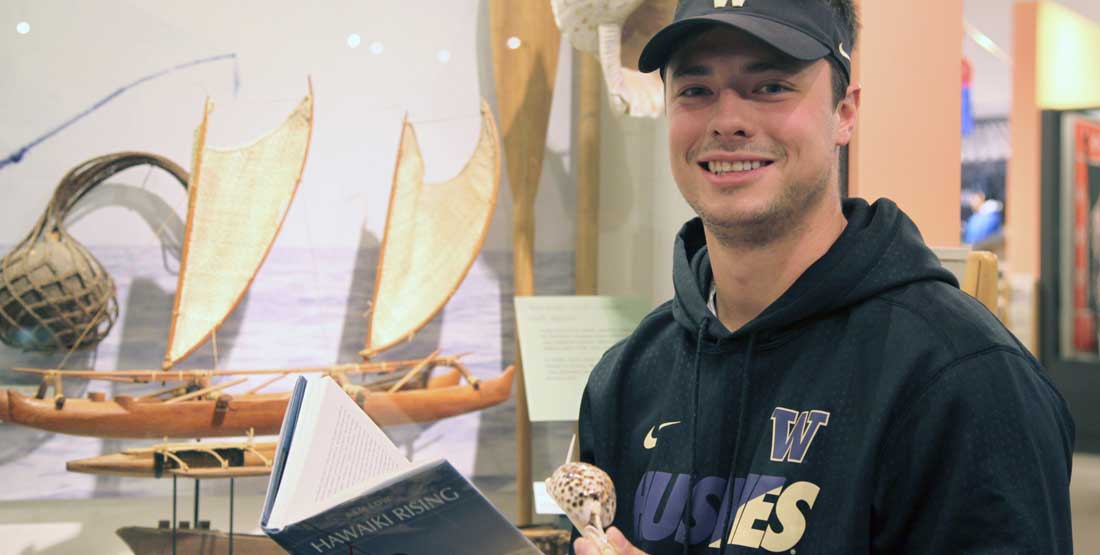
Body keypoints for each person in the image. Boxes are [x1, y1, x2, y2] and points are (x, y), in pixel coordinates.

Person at [572, 1, 1075, 554]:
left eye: (770, 86)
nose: (727, 120)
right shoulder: (627, 379)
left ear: (845, 113)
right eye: (696, 90)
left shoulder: (961, 376)